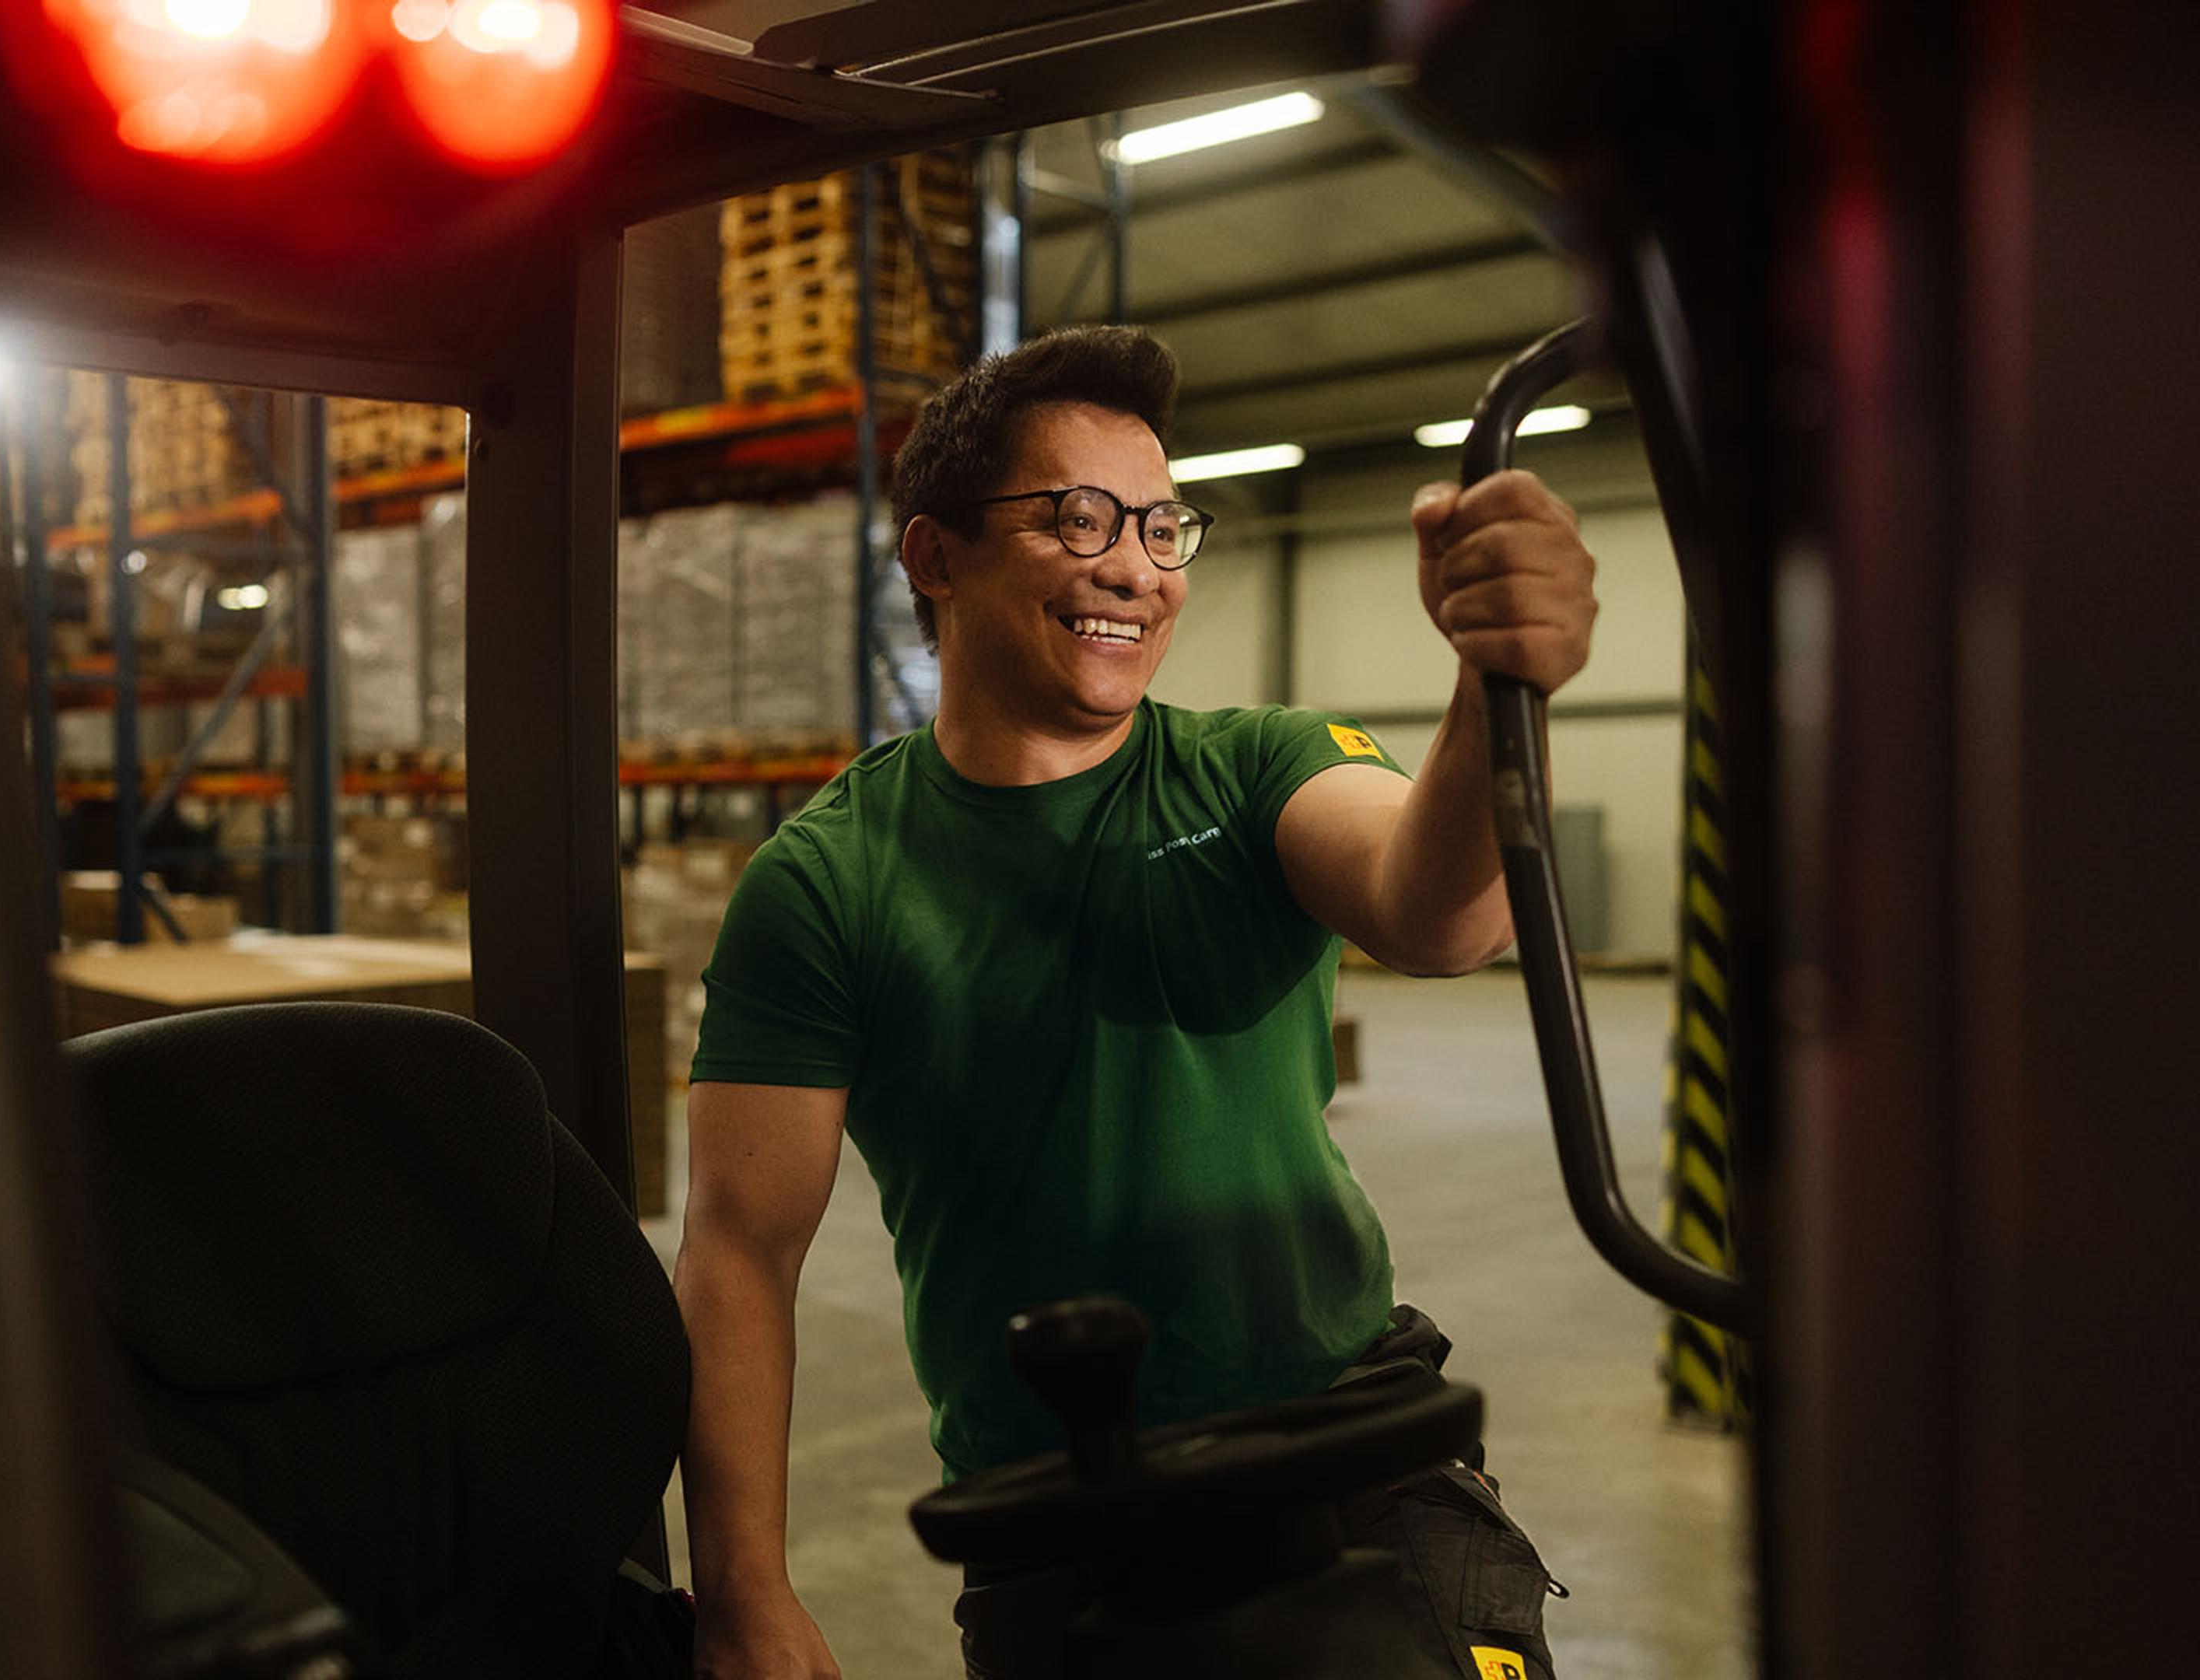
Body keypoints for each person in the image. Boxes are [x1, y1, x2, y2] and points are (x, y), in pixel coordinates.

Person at [671, 326, 1596, 1679]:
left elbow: (1444, 916)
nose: (1135, 572)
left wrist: (1493, 677)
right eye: (1079, 519)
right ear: (935, 557)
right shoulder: (827, 883)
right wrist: (741, 1590)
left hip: (1346, 1449)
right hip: (1059, 1509)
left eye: (1166, 530)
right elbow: (740, 1253)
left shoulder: (1254, 769)